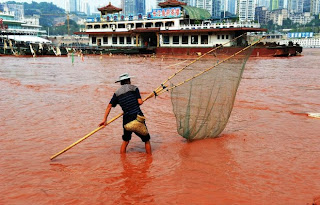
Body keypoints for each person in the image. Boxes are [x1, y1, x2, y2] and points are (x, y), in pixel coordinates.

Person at [99, 73, 152, 154]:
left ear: (121, 83)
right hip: (137, 117)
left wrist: (104, 120)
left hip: (127, 119)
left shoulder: (117, 93)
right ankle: (149, 160)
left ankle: (123, 160)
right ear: (129, 81)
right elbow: (140, 102)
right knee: (146, 140)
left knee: (126, 141)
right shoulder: (134, 88)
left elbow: (109, 106)